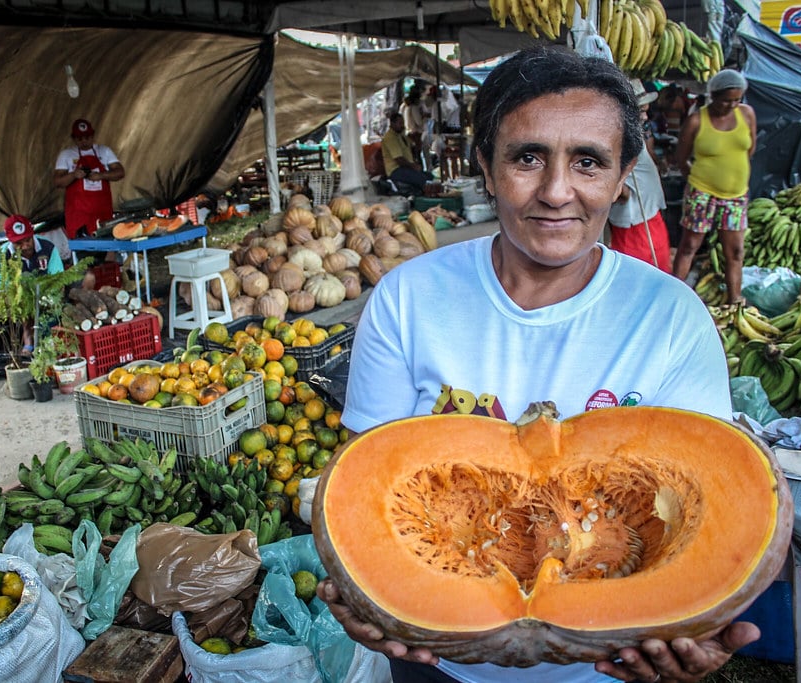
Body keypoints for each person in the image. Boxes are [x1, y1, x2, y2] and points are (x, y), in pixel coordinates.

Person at [318, 47, 758, 683]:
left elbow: (704, 508)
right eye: (528, 157)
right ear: (486, 170)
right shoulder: (406, 299)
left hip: (608, 666)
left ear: (623, 176)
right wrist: (368, 588)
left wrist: (686, 617)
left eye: (588, 161)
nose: (557, 191)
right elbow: (367, 496)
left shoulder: (672, 316)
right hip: (436, 663)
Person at [672, 69, 757, 304]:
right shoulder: (697, 120)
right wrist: (699, 181)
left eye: (737, 100)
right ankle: (673, 297)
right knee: (689, 245)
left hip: (736, 195)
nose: (731, 105)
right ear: (713, 96)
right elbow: (681, 157)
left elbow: (750, 148)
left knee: (736, 252)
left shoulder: (747, 115)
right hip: (702, 193)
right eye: (726, 100)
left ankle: (734, 300)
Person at [607, 79, 672, 272]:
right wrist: (624, 194)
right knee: (639, 272)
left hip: (648, 212)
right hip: (634, 218)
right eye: (641, 110)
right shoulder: (617, 137)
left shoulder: (635, 132)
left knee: (658, 266)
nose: (645, 116)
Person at [0, 214, 65, 353]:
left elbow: (59, 281)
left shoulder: (47, 248)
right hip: (21, 302)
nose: (25, 246)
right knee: (24, 302)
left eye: (28, 240)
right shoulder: (1, 256)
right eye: (19, 243)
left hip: (46, 296)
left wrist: (51, 302)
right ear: (10, 241)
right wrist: (16, 306)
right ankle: (28, 338)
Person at [52, 118, 125, 245]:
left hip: (102, 210)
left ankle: (110, 264)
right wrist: (74, 175)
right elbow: (58, 181)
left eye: (87, 137)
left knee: (108, 243)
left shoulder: (104, 151)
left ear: (93, 136)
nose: (84, 141)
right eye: (80, 139)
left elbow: (120, 172)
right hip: (78, 213)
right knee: (82, 246)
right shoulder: (67, 155)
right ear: (74, 139)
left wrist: (101, 175)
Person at [381, 112, 433, 195]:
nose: (402, 125)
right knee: (422, 180)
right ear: (392, 123)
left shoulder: (401, 135)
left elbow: (411, 145)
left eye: (403, 123)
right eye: (400, 123)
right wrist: (413, 166)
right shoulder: (390, 138)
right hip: (396, 170)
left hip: (405, 167)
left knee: (429, 176)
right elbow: (399, 159)